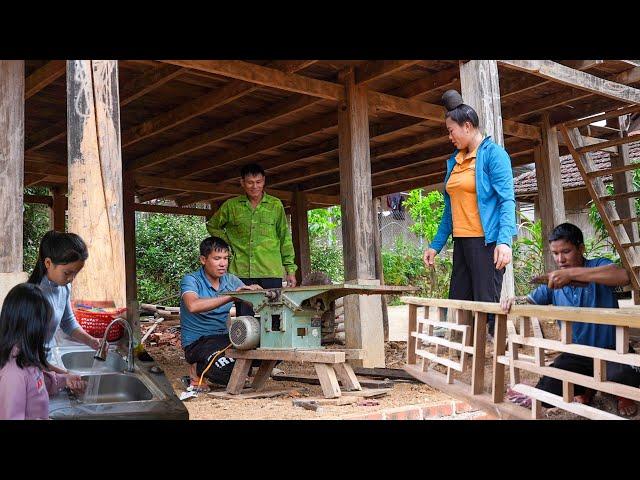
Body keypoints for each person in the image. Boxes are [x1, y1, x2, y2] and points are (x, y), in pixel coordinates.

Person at [501, 222, 640, 417]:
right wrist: (514, 301)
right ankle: (586, 390)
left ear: (581, 248)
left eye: (566, 251)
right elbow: (530, 300)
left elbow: (622, 276)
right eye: (555, 254)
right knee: (546, 392)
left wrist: (571, 274)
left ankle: (621, 395)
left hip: (613, 351)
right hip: (577, 354)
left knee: (627, 376)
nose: (560, 259)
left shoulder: (597, 265)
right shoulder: (555, 281)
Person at [423, 89, 517, 337]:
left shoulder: (494, 155)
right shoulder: (454, 162)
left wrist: (505, 241)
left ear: (467, 126)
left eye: (451, 131)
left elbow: (507, 200)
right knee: (461, 305)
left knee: (487, 309)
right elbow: (450, 209)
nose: (450, 137)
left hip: (486, 243)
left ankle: (497, 364)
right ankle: (470, 365)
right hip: (463, 243)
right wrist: (436, 245)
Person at [206, 163, 297, 317]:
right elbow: (213, 225)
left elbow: (284, 237)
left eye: (259, 182)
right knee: (245, 318)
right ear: (242, 182)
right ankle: (249, 343)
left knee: (274, 316)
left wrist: (291, 270)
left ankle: (270, 342)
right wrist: (228, 244)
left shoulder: (275, 205)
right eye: (250, 182)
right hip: (241, 271)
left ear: (264, 181)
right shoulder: (232, 206)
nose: (255, 186)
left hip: (270, 270)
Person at [180, 236, 262, 390]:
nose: (223, 263)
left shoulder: (231, 280)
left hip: (225, 339)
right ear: (203, 260)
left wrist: (256, 294)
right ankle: (197, 368)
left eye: (225, 258)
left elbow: (252, 302)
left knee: (273, 350)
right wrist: (231, 296)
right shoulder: (191, 280)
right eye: (217, 258)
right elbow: (193, 305)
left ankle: (230, 367)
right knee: (227, 371)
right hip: (197, 343)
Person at [0, 283, 86, 420]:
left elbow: (38, 384)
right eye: (45, 325)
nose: (47, 332)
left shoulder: (27, 358)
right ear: (32, 328)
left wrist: (65, 380)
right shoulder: (13, 375)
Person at [27, 231, 101, 367]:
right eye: (67, 272)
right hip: (32, 365)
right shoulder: (34, 297)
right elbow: (28, 351)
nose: (71, 278)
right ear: (48, 263)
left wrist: (91, 341)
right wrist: (62, 375)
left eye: (76, 273)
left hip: (47, 360)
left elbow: (68, 322)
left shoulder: (63, 287)